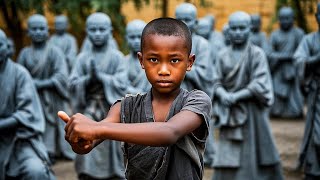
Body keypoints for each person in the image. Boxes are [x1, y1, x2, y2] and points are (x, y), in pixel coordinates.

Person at [59, 17, 212, 180]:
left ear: (189, 62)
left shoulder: (197, 101)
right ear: (141, 60)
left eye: (174, 60)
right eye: (154, 59)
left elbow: (169, 132)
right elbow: (91, 140)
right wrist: (80, 139)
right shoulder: (126, 106)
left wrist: (95, 128)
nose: (164, 70)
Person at [211, 11, 284, 180]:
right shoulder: (222, 55)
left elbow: (260, 83)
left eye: (242, 28)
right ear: (228, 30)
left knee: (254, 148)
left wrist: (236, 96)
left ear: (250, 29)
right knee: (228, 151)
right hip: (229, 113)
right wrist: (222, 94)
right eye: (234, 28)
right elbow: (215, 80)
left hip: (252, 113)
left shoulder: (256, 54)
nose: (237, 32)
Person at [69, 12, 127, 180]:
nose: (98, 34)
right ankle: (87, 174)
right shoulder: (82, 58)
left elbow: (122, 83)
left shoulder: (117, 57)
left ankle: (116, 173)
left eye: (102, 29)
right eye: (93, 30)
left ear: (110, 31)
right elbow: (72, 83)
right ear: (87, 31)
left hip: (112, 109)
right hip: (89, 108)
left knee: (114, 142)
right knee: (85, 138)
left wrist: (101, 77)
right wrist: (88, 79)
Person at [17, 14, 74, 163]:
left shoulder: (54, 52)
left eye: (41, 28)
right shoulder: (24, 53)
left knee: (53, 123)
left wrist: (41, 83)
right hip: (31, 97)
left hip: (52, 96)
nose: (38, 32)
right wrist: (30, 85)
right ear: (28, 32)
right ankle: (37, 151)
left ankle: (52, 151)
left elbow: (62, 76)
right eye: (34, 29)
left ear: (47, 31)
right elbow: (19, 76)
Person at [0, 29, 55, 180]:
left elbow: (27, 113)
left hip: (20, 141)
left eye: (0, 45)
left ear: (7, 47)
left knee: (35, 170)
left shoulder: (19, 74)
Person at [175, 3, 214, 167]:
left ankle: (204, 158)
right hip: (174, 95)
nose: (184, 23)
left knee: (197, 129)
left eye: (188, 19)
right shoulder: (169, 42)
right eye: (180, 19)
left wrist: (181, 66)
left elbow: (206, 74)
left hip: (195, 95)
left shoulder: (203, 45)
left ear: (196, 22)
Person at [294, 3, 320, 179]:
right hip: (317, 94)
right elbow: (299, 61)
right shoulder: (309, 40)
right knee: (317, 135)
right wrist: (317, 59)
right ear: (317, 17)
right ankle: (313, 169)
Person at [267, 6, 305, 118]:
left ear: (293, 19)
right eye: (282, 18)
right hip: (278, 70)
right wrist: (287, 56)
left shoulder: (299, 33)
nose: (284, 21)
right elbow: (269, 53)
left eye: (287, 18)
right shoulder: (275, 34)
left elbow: (301, 54)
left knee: (295, 102)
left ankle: (295, 112)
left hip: (293, 71)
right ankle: (277, 112)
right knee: (276, 101)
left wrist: (282, 56)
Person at [124, 19, 150, 94]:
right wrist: (138, 93)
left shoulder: (155, 62)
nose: (136, 41)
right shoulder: (123, 62)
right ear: (126, 38)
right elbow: (121, 85)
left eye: (139, 37)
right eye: (132, 37)